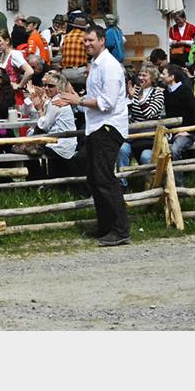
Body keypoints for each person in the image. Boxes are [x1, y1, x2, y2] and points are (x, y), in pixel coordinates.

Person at [51, 25, 130, 246]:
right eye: (85, 41)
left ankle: (121, 229)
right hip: (95, 127)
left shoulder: (110, 67)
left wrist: (79, 101)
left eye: (91, 40)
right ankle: (105, 227)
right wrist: (75, 97)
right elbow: (95, 97)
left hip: (108, 126)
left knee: (105, 178)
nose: (87, 44)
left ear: (102, 41)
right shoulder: (95, 65)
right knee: (94, 179)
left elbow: (107, 103)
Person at [25, 71, 80, 178]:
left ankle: (37, 180)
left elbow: (44, 125)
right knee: (29, 145)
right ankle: (41, 180)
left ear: (59, 88)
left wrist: (40, 110)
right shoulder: (55, 100)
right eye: (45, 85)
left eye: (50, 86)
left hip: (60, 144)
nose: (46, 88)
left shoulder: (56, 101)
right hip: (62, 141)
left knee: (27, 150)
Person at [162, 64, 195, 180]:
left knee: (175, 150)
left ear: (172, 77)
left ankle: (178, 183)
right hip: (172, 133)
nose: (161, 76)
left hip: (186, 133)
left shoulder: (185, 91)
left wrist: (187, 130)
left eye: (164, 74)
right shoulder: (166, 93)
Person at [0, 30, 33, 106]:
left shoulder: (14, 54)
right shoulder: (2, 55)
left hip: (13, 95)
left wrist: (19, 85)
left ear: (7, 41)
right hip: (4, 94)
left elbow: (29, 71)